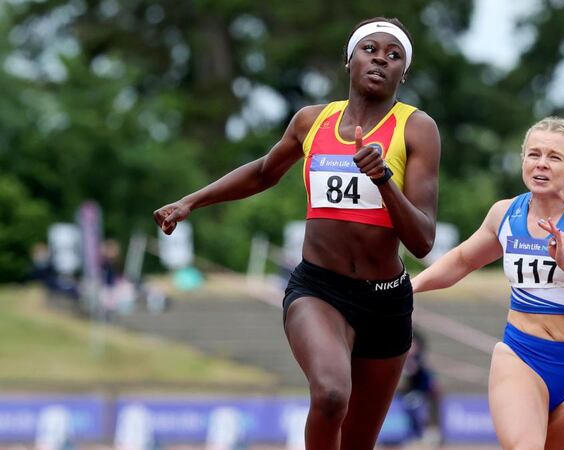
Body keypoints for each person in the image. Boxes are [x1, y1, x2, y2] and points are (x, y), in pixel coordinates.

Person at [153, 17, 440, 450]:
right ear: (349, 60)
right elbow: (264, 172)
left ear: (404, 72)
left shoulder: (417, 129)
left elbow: (422, 240)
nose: (381, 58)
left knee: (357, 442)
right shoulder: (311, 121)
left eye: (394, 55)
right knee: (329, 396)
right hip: (319, 289)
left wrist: (384, 180)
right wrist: (191, 201)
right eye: (370, 49)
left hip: (385, 299)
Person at [412, 117, 564, 449]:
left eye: (554, 157)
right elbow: (462, 260)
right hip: (522, 356)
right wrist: (409, 288)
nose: (541, 164)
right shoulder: (505, 214)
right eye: (533, 154)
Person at [399, 330, 442, 446]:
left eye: (414, 344)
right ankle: (416, 436)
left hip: (423, 394)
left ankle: (428, 435)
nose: (412, 347)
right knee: (412, 410)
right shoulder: (406, 360)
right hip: (412, 394)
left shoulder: (420, 360)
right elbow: (406, 380)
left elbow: (429, 379)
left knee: (422, 412)